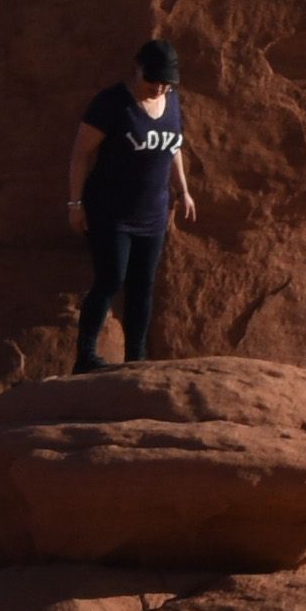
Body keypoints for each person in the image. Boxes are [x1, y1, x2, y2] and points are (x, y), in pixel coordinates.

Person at [67, 35, 191, 369]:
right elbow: (81, 154)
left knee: (143, 286)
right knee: (110, 279)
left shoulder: (173, 103)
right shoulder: (111, 103)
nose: (160, 88)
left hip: (153, 213)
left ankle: (136, 359)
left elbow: (173, 146)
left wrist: (183, 189)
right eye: (154, 80)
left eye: (167, 82)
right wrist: (75, 204)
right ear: (137, 69)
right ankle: (86, 357)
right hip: (110, 211)